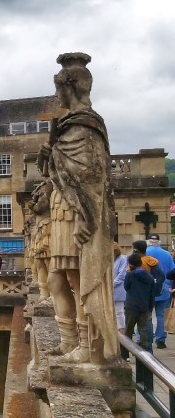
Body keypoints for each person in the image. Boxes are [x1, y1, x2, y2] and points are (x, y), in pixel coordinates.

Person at [37, 52, 117, 363]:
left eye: (59, 88)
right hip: (61, 206)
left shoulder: (86, 125)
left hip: (75, 210)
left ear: (71, 87)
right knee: (60, 278)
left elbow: (92, 176)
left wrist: (87, 216)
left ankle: (88, 349)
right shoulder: (67, 125)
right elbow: (55, 173)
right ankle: (70, 341)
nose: (56, 94)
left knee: (78, 279)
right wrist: (49, 153)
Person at [121, 252, 155, 359]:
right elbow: (152, 293)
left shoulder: (130, 275)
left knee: (128, 329)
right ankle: (144, 353)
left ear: (130, 264)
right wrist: (150, 306)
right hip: (144, 306)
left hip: (131, 305)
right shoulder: (149, 277)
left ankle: (125, 354)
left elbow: (126, 287)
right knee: (143, 330)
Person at [144, 234, 174, 349]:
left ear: (148, 242)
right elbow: (172, 271)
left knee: (147, 315)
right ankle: (161, 339)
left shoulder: (144, 254)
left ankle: (147, 338)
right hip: (164, 288)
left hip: (148, 289)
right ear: (159, 242)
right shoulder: (166, 254)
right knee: (161, 315)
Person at [112, 243, 128, 329]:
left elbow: (122, 274)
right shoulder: (107, 259)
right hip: (108, 288)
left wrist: (112, 284)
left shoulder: (123, 259)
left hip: (117, 288)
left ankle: (121, 330)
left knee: (119, 311)